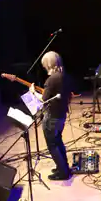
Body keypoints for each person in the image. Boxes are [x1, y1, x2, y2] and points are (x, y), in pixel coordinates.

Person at [30, 51, 71, 181]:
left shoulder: (51, 80)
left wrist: (33, 92)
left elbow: (43, 100)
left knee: (52, 145)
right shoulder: (64, 76)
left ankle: (63, 173)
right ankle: (63, 167)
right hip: (62, 114)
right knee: (58, 141)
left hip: (52, 117)